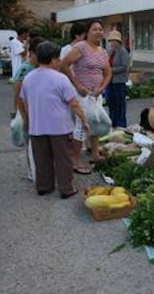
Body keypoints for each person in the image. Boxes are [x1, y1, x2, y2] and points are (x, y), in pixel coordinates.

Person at [19, 41, 90, 199]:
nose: (59, 61)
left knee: (42, 159)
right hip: (59, 127)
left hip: (37, 127)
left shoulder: (28, 78)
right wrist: (84, 120)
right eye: (58, 58)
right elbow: (74, 103)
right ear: (52, 60)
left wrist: (30, 119)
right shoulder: (61, 79)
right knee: (63, 159)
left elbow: (24, 102)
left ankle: (44, 187)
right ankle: (66, 189)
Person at [61, 20, 112, 173]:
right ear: (87, 32)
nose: (98, 32)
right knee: (81, 126)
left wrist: (102, 88)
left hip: (96, 95)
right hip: (82, 94)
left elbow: (108, 72)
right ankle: (75, 161)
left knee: (95, 122)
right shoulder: (81, 47)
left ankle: (95, 154)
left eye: (101, 29)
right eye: (95, 29)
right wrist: (77, 85)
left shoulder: (102, 51)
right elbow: (64, 65)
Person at [14, 37, 45, 182]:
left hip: (41, 112)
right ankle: (32, 172)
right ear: (32, 52)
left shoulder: (43, 67)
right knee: (31, 144)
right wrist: (25, 117)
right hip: (29, 112)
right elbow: (18, 95)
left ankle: (43, 170)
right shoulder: (25, 69)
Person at [107, 30, 129, 128]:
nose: (112, 43)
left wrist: (111, 70)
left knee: (120, 103)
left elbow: (124, 67)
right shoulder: (111, 51)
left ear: (118, 41)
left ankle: (120, 124)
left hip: (119, 81)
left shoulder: (123, 51)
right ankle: (112, 121)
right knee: (111, 102)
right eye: (111, 41)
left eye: (113, 41)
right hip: (110, 80)